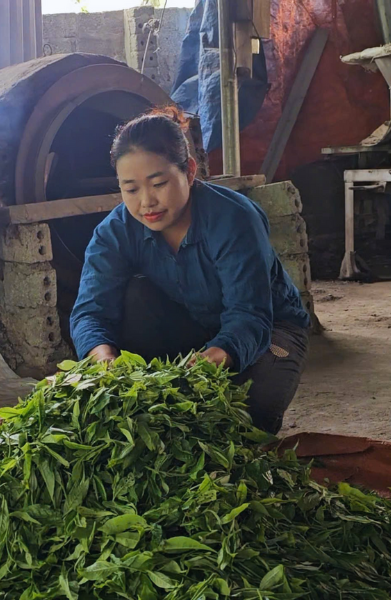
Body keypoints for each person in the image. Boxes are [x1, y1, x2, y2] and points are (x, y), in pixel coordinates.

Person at [69, 106, 311, 434]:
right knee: (134, 298)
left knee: (249, 415)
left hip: (269, 325)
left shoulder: (233, 219)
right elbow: (89, 314)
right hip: (189, 319)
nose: (146, 202)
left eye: (158, 183)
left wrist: (216, 357)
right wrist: (102, 359)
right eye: (131, 189)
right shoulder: (114, 232)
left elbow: (249, 315)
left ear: (190, 172)